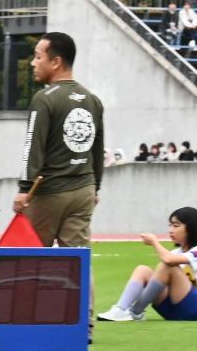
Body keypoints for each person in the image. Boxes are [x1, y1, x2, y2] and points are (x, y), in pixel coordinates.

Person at [13, 31, 103, 247]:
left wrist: (25, 188)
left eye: (38, 57)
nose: (33, 63)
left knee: (29, 261)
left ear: (56, 62)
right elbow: (97, 150)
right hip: (84, 190)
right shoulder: (93, 100)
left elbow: (33, 147)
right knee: (76, 265)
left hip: (50, 191)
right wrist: (95, 188)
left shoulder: (44, 99)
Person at [98, 208, 197, 322]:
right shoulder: (176, 253)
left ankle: (135, 311)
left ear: (191, 227)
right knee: (142, 270)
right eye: (170, 226)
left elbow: (169, 260)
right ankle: (121, 309)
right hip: (173, 309)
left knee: (167, 265)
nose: (171, 230)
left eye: (176, 226)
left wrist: (154, 242)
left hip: (193, 309)